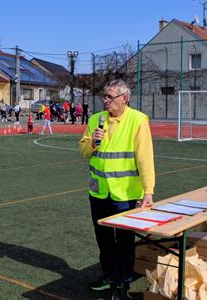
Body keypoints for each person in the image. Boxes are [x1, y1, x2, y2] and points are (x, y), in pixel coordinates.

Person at [79, 79, 155, 300]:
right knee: (103, 239)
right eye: (104, 96)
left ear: (124, 98)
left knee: (124, 242)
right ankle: (109, 275)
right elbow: (83, 150)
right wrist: (93, 142)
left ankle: (122, 283)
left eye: (110, 97)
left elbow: (145, 158)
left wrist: (148, 191)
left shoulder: (138, 120)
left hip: (125, 195)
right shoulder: (95, 120)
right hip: (98, 192)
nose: (106, 101)